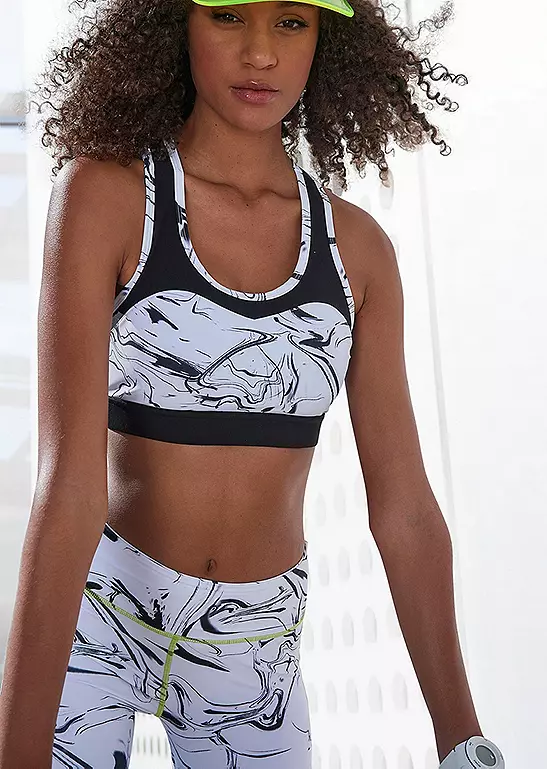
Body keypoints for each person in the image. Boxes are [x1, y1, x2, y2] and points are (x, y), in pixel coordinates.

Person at [0, 0, 479, 767]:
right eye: (227, 16)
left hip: (254, 647)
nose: (260, 53)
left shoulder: (358, 252)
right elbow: (68, 487)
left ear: (327, 39)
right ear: (174, 25)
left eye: (291, 22)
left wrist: (462, 738)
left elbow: (405, 509)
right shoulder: (107, 197)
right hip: (102, 613)